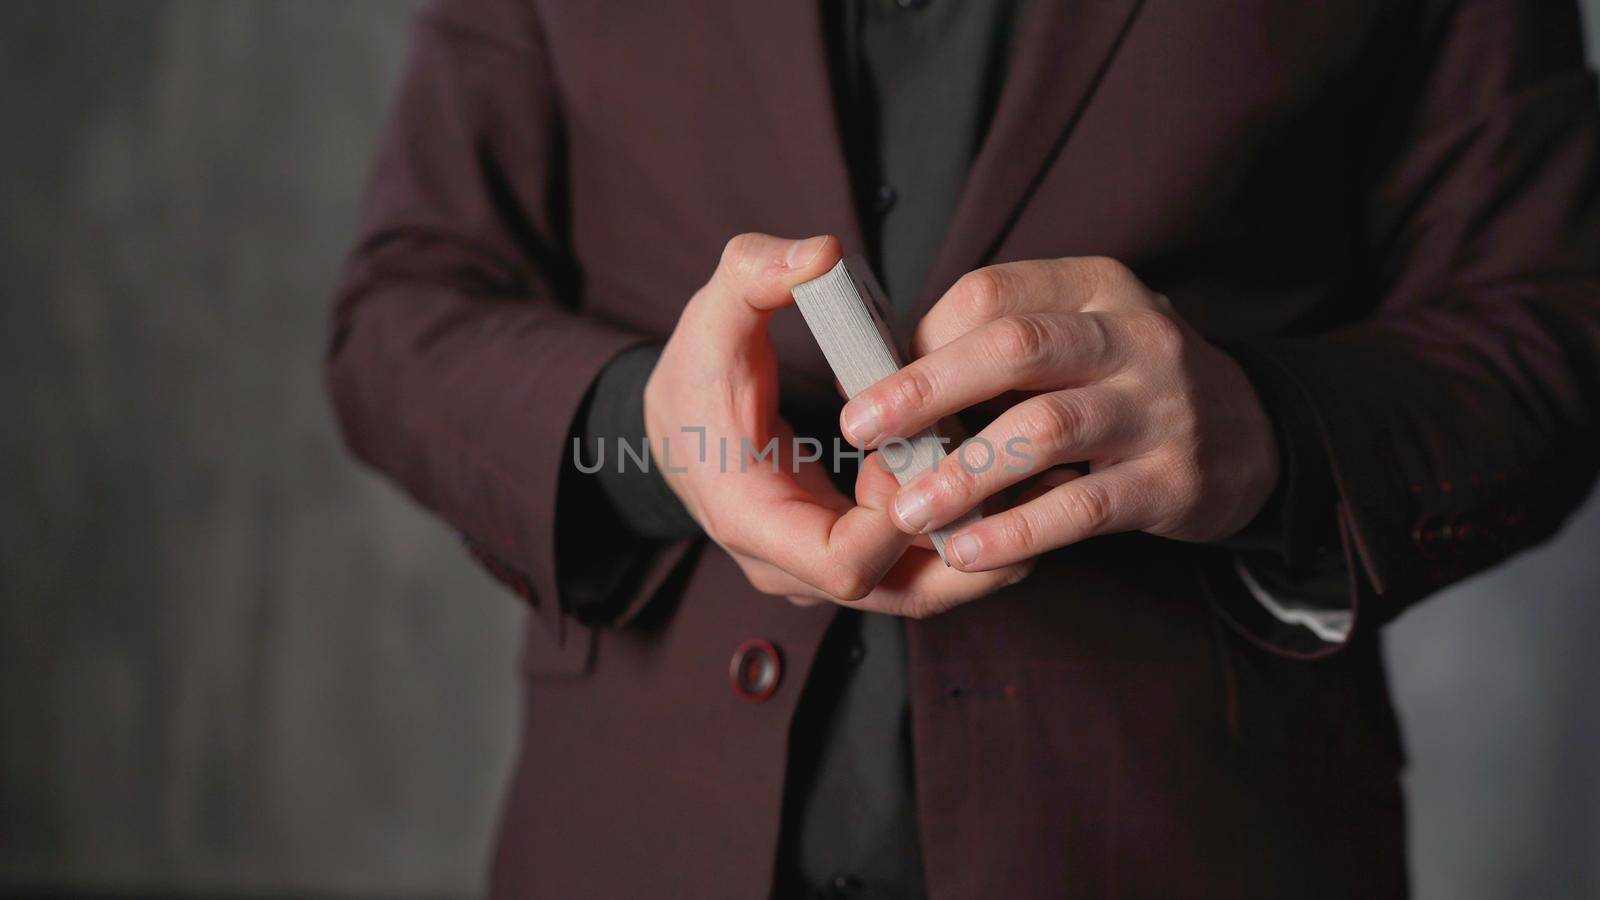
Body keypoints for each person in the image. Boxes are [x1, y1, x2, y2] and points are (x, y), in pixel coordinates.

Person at [327, 1, 1600, 896]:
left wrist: (1262, 431)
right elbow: (400, 315)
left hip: (1191, 843)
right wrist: (652, 442)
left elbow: (1553, 329)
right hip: (636, 840)